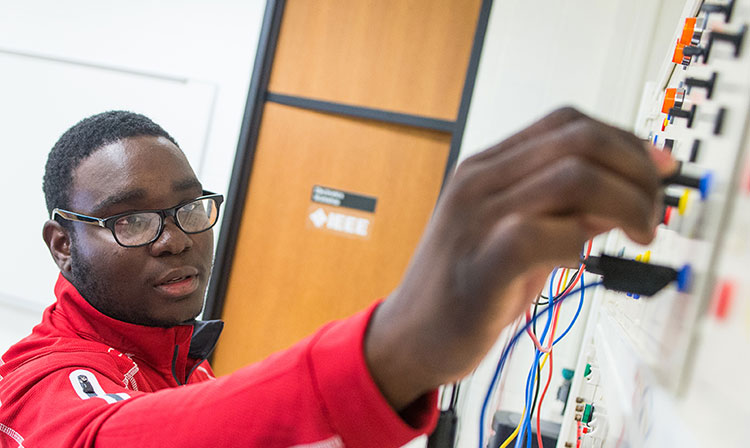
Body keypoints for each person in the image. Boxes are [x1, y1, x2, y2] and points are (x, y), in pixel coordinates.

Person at [0, 108, 672, 447]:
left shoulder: (175, 356)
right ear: (63, 244)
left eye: (187, 208)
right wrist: (398, 347)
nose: (174, 237)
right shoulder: (35, 386)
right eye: (129, 220)